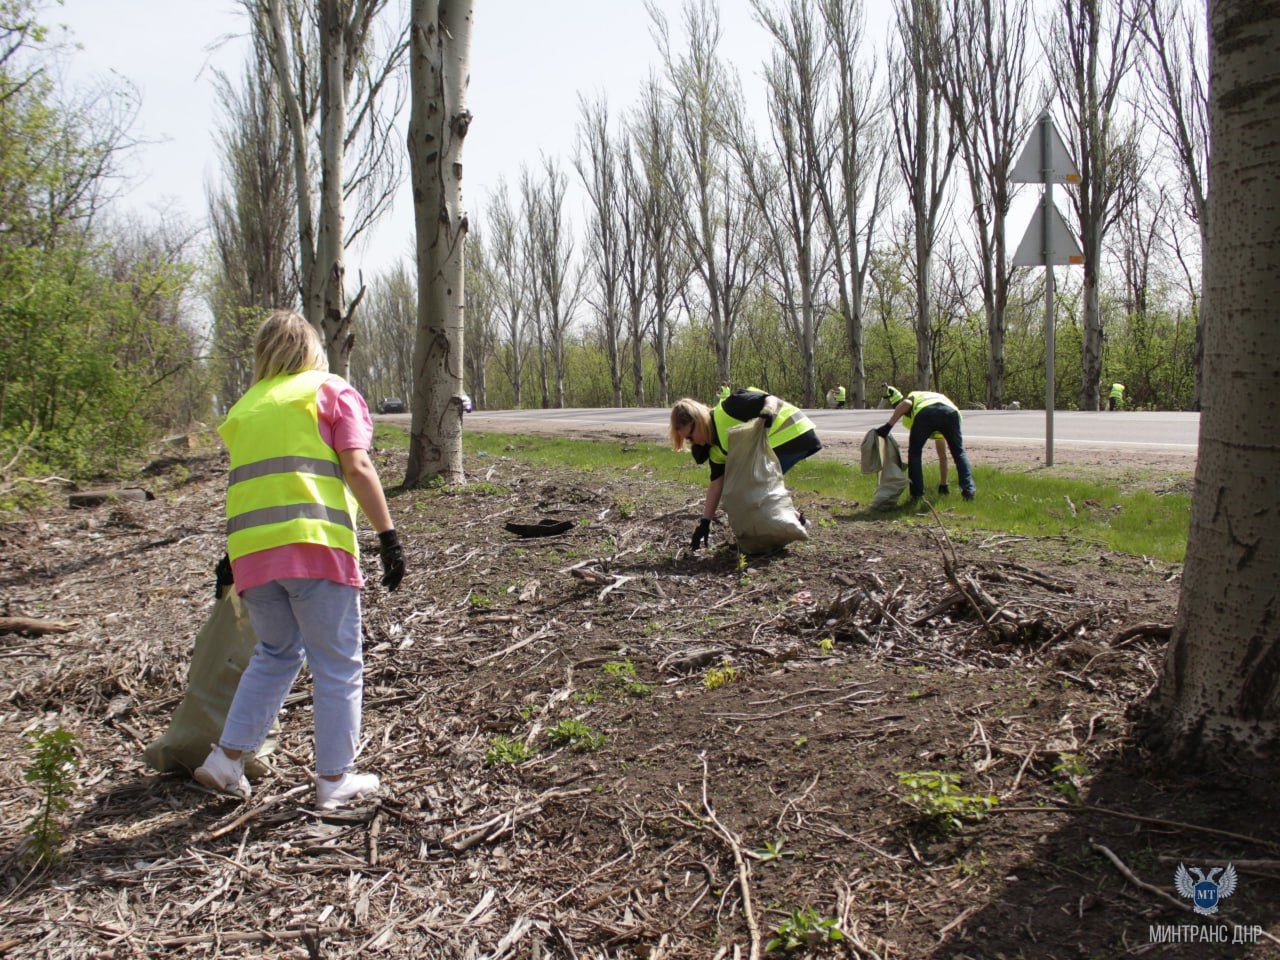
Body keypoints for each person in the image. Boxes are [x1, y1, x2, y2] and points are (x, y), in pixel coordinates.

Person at [195, 310, 406, 810]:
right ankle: (334, 780)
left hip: (253, 555)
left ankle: (225, 760)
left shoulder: (246, 407)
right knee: (337, 664)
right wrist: (389, 535)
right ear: (311, 347)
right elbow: (356, 465)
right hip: (316, 547)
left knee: (275, 654)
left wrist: (231, 557)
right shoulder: (330, 391)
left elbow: (250, 485)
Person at [670, 388, 821, 550]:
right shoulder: (715, 450)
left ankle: (778, 536)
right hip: (776, 444)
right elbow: (716, 485)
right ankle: (797, 523)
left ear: (698, 420)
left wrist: (767, 412)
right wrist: (705, 522)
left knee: (748, 489)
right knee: (741, 489)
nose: (693, 443)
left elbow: (770, 399)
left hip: (793, 433)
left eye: (690, 437)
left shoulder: (730, 408)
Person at [876, 385, 975, 502]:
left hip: (925, 414)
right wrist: (944, 484)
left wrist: (888, 426)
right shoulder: (939, 398)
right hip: (951, 414)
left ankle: (917, 495)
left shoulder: (914, 396)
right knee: (959, 454)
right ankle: (968, 492)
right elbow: (942, 456)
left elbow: (906, 403)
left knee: (915, 453)